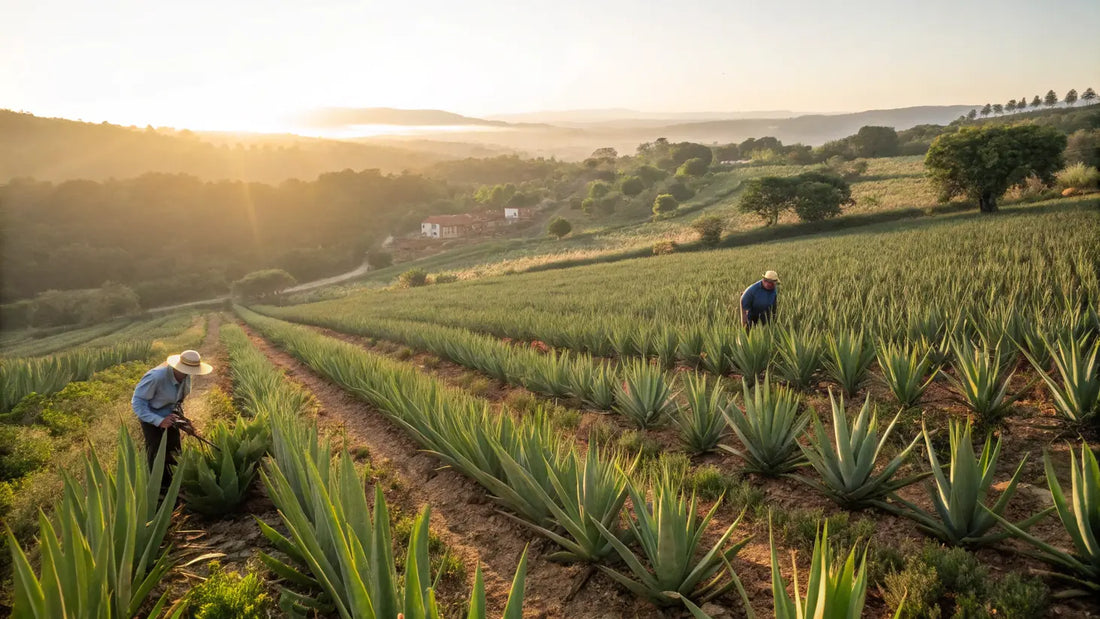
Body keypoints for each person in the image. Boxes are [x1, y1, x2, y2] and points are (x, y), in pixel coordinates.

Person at [131, 349, 213, 472]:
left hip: (171, 417)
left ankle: (176, 482)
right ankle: (161, 488)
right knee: (158, 455)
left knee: (175, 452)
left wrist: (183, 420)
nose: (189, 373)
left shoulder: (185, 377)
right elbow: (138, 402)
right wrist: (159, 421)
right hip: (151, 419)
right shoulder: (156, 377)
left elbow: (177, 402)